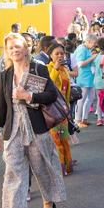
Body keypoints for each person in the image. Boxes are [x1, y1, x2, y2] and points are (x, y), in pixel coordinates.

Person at [0, 33, 67, 208]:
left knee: (40, 166)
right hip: (13, 129)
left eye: (18, 46)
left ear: (26, 48)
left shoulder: (38, 68)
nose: (14, 50)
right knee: (12, 171)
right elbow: (1, 105)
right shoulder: (6, 74)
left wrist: (29, 95)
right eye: (10, 48)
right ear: (7, 52)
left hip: (35, 127)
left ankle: (48, 201)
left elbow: (51, 95)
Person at [46, 42, 73, 175]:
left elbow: (66, 90)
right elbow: (49, 83)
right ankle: (60, 167)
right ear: (51, 55)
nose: (60, 56)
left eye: (62, 53)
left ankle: (68, 165)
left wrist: (67, 109)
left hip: (63, 110)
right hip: (52, 111)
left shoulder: (65, 70)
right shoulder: (47, 68)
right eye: (57, 54)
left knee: (64, 139)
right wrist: (55, 68)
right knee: (56, 140)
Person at [74, 34, 99, 127]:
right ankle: (78, 120)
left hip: (89, 78)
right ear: (88, 41)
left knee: (90, 98)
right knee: (81, 99)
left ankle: (84, 118)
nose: (95, 45)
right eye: (94, 43)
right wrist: (92, 57)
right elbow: (80, 64)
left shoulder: (87, 49)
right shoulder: (81, 49)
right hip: (83, 78)